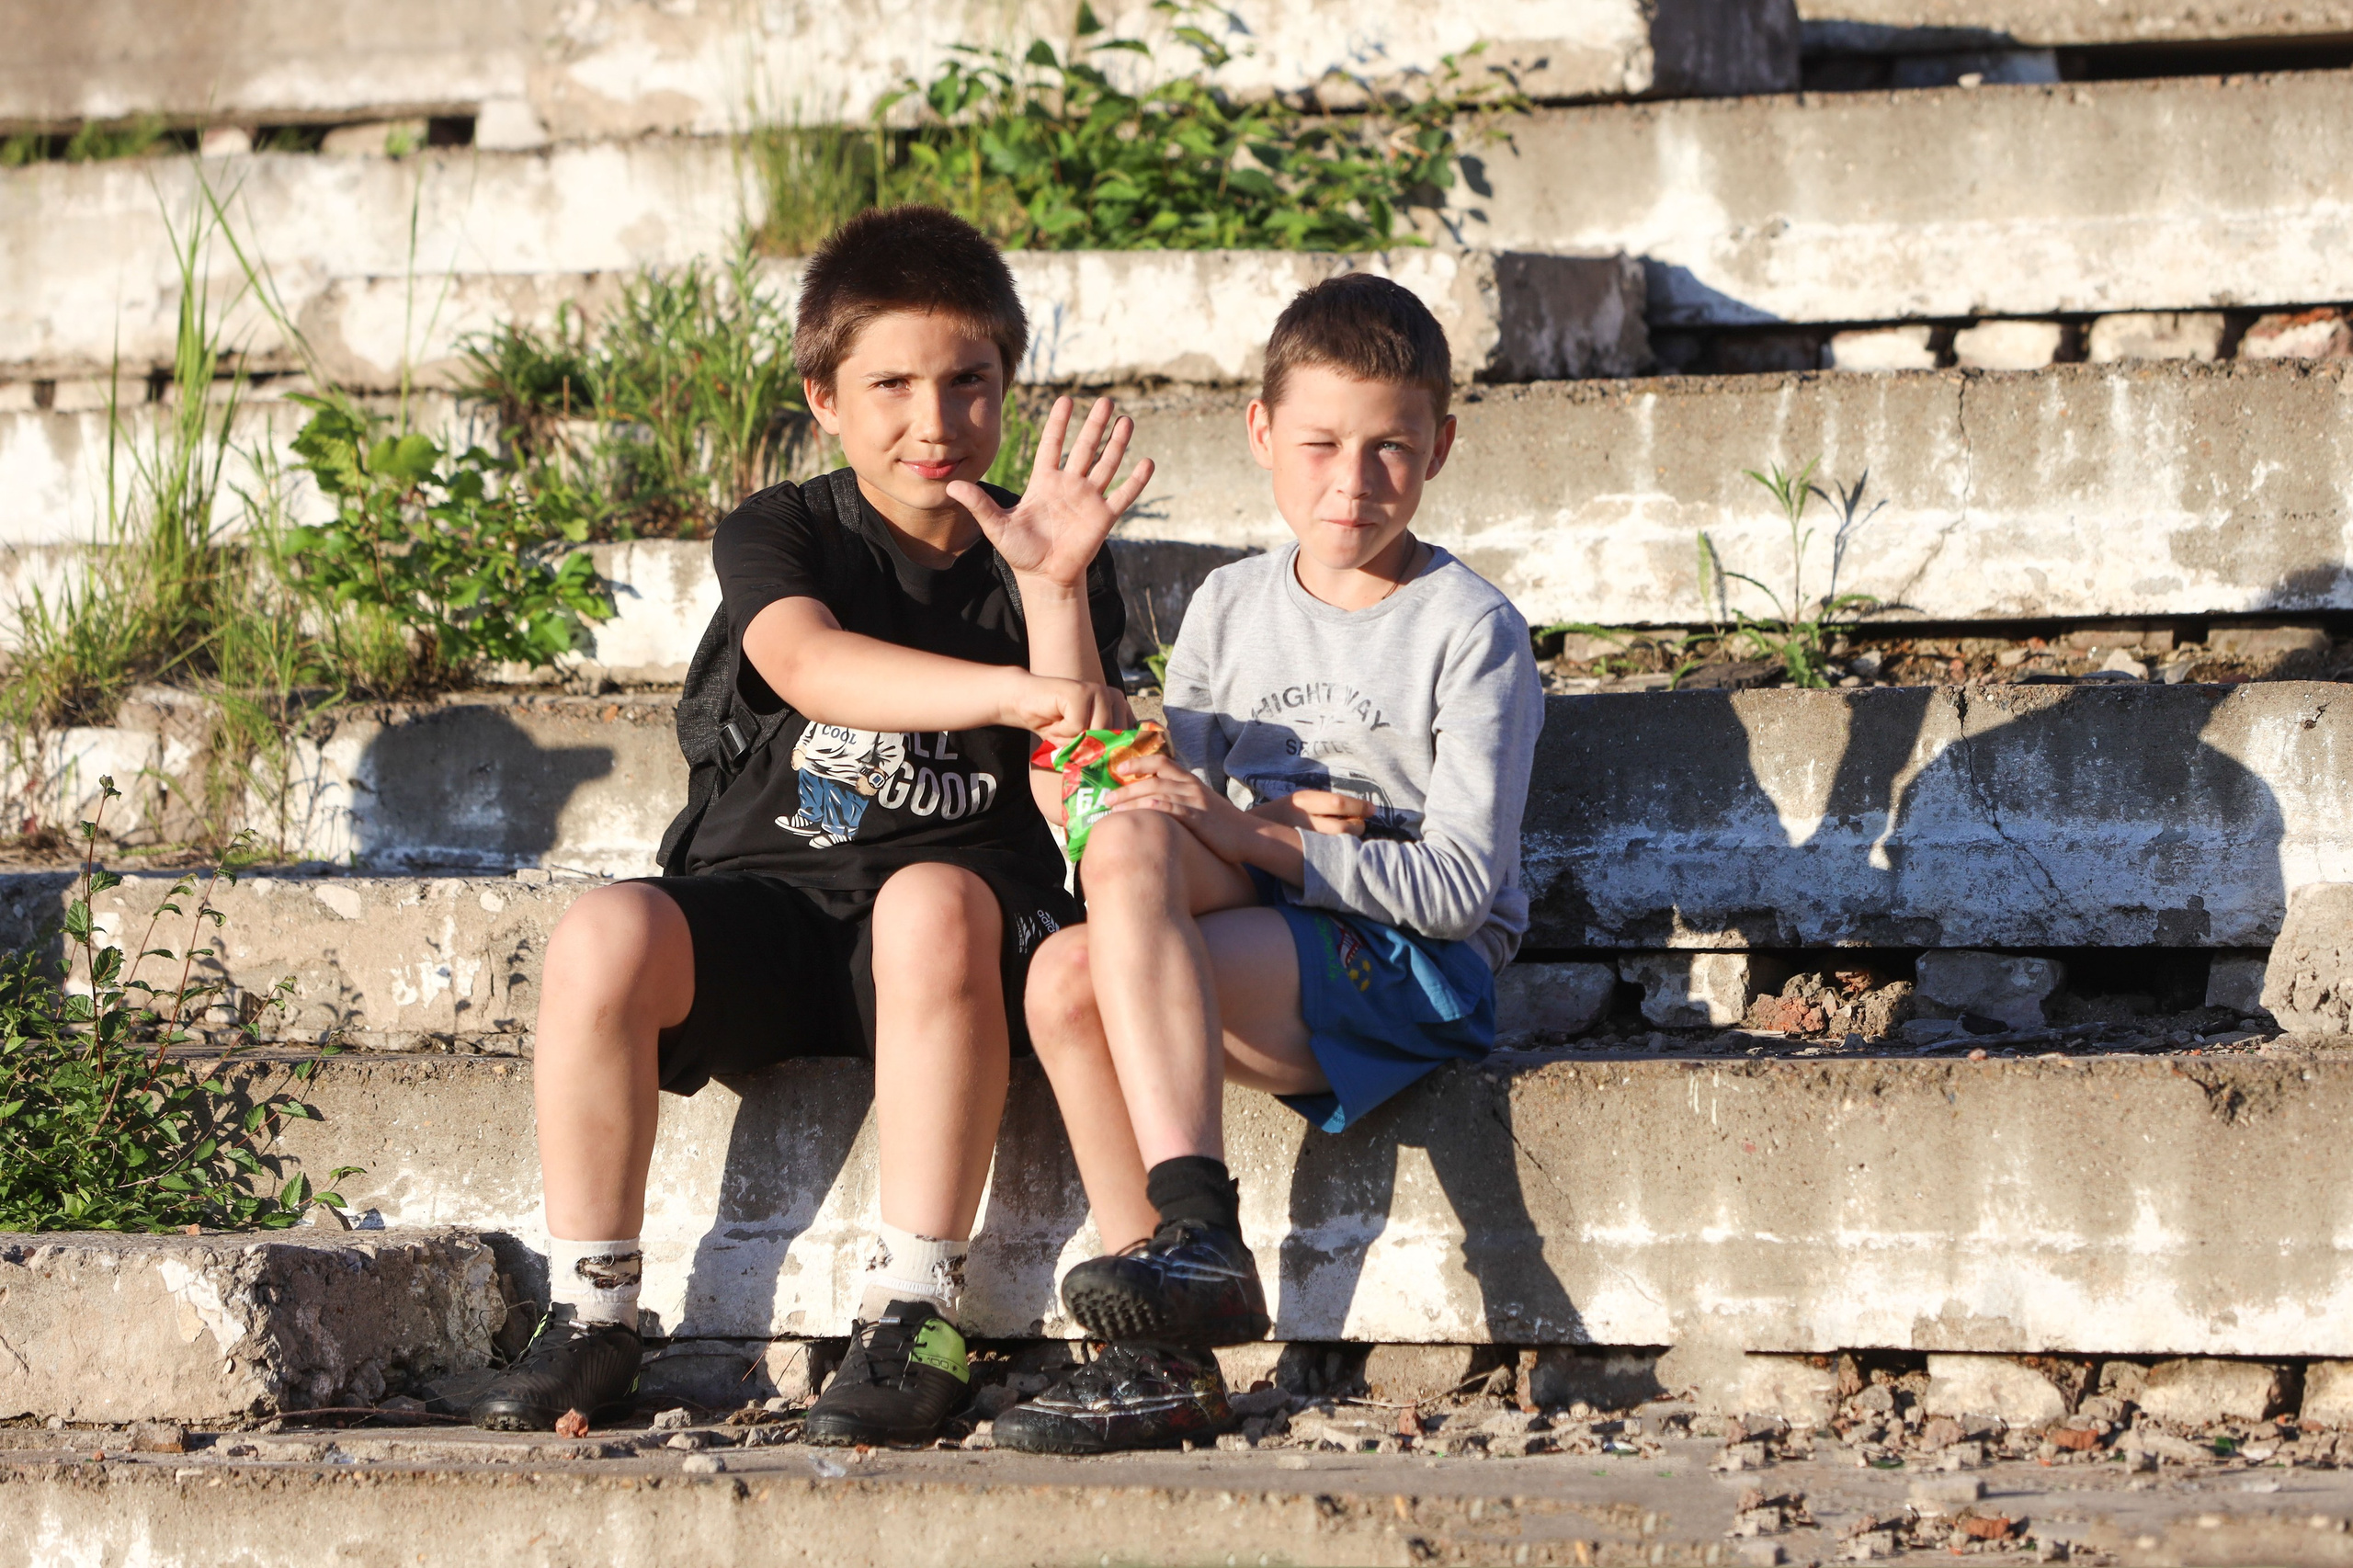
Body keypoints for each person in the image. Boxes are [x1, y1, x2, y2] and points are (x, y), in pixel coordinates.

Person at [469, 204, 1150, 1448]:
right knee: (602, 933)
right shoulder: (784, 528)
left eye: (968, 383)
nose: (933, 421)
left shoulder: (1051, 545)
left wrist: (1053, 590)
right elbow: (810, 663)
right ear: (824, 397)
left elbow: (1082, 763)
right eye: (891, 383)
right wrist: (1005, 689)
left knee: (930, 898)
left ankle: (918, 1307)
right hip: (775, 908)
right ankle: (595, 1310)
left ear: (1008, 385)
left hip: (958, 929)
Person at [991, 273, 1544, 1453]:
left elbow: (1456, 892)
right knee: (1084, 921)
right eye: (1321, 443)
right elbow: (1102, 798)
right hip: (1273, 925)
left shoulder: (1469, 628)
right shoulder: (1231, 604)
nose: (1354, 481)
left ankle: (1183, 1269)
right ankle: (1180, 1288)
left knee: (1088, 963)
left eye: (1390, 447)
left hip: (1413, 965)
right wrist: (1053, 589)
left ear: (1440, 445)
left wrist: (1250, 830)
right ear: (1260, 434)